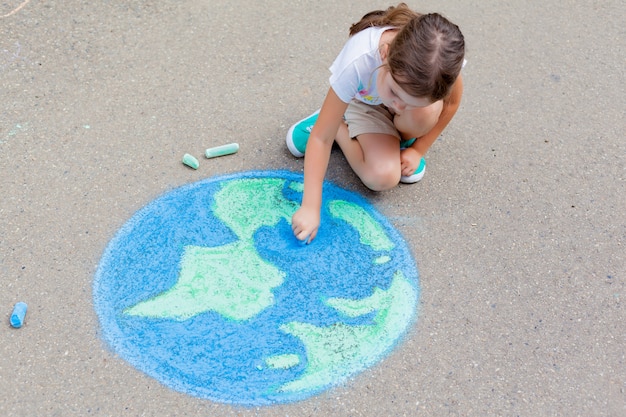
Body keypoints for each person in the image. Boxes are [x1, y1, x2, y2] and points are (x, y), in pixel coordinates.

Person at [286, 3, 465, 244]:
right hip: (364, 103)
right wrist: (310, 206)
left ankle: (395, 131)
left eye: (409, 101)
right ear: (385, 53)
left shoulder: (438, 65)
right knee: (382, 177)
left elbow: (451, 103)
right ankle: (336, 121)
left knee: (425, 113)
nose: (398, 108)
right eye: (395, 92)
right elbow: (320, 138)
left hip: (392, 99)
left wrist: (417, 149)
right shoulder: (358, 60)